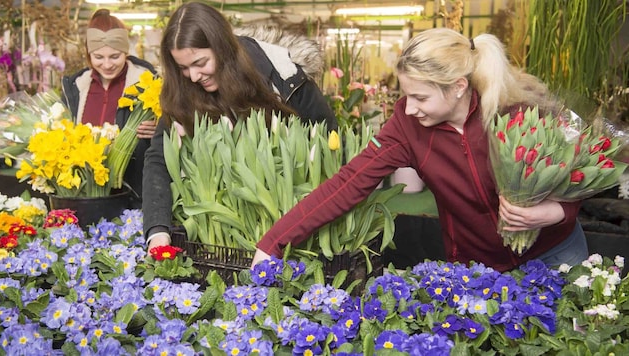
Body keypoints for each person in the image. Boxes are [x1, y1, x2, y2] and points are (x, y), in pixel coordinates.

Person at [252, 28, 589, 273]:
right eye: (406, 95)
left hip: (555, 252)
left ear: (458, 87)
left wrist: (560, 212)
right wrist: (273, 243)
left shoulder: (516, 110)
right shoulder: (406, 126)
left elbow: (580, 169)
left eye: (421, 97)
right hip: (482, 271)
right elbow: (347, 183)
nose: (409, 108)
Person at [143, 2, 338, 250]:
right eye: (183, 68)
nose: (193, 76)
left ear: (222, 48)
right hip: (220, 238)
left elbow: (330, 139)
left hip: (293, 235)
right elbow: (159, 158)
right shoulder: (183, 92)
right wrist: (157, 231)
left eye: (201, 63)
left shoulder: (284, 77)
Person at [61, 9, 158, 207]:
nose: (106, 65)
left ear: (126, 51)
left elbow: (173, 131)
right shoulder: (76, 87)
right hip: (87, 195)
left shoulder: (147, 84)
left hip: (135, 196)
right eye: (98, 57)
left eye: (115, 56)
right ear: (88, 54)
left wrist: (161, 130)